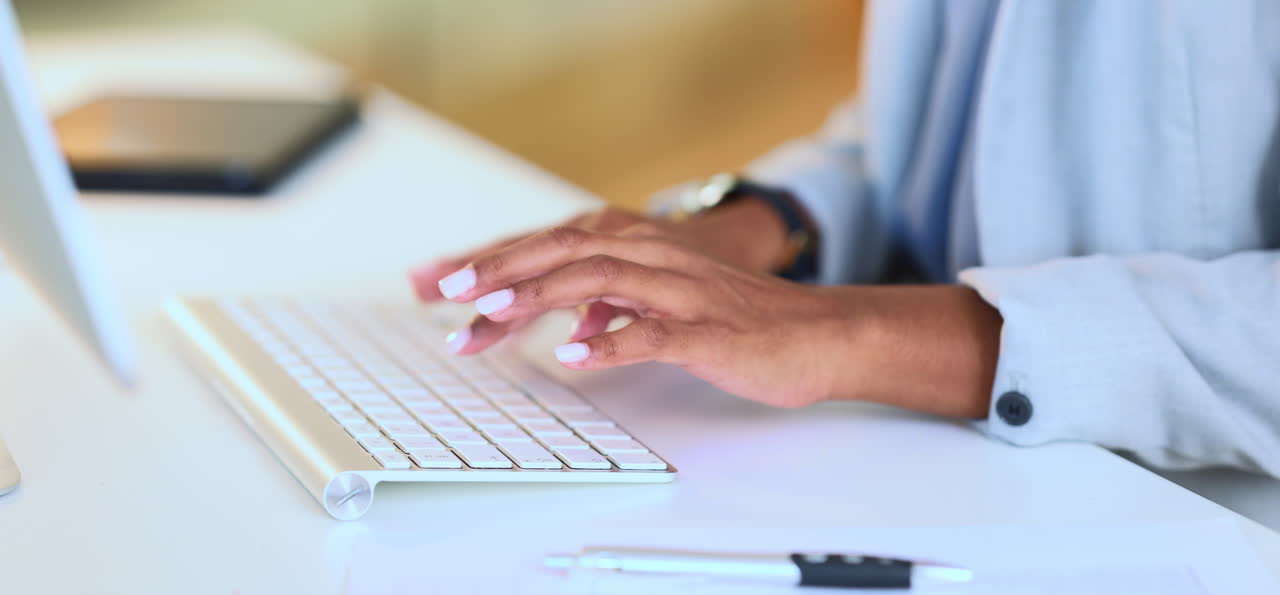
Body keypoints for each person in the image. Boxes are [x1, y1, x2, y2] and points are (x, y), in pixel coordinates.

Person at [408, 0, 1280, 478]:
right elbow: (949, 122)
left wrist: (846, 331)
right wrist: (762, 226)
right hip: (954, 471)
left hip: (1207, 525)